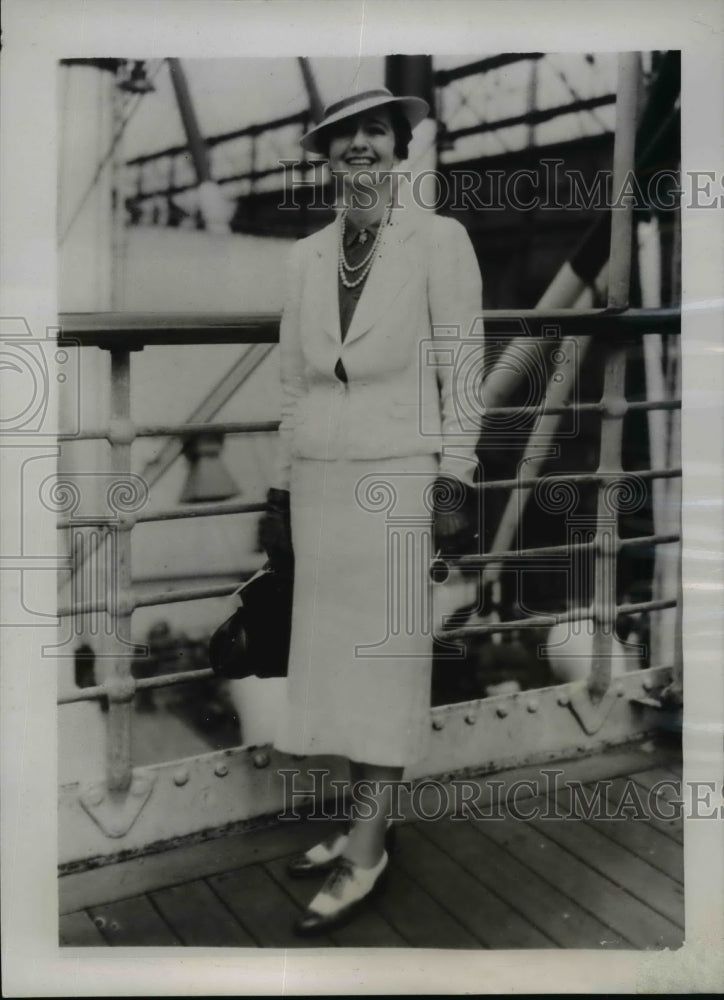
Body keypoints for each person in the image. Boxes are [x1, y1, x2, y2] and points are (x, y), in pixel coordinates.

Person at [259, 87, 483, 936]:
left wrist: (454, 479)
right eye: (342, 135)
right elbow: (293, 386)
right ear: (325, 155)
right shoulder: (306, 257)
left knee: (385, 664)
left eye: (375, 131)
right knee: (340, 663)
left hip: (397, 476)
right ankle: (366, 819)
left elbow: (463, 371)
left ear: (398, 146)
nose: (359, 145)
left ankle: (366, 850)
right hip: (321, 481)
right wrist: (281, 490)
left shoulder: (440, 239)